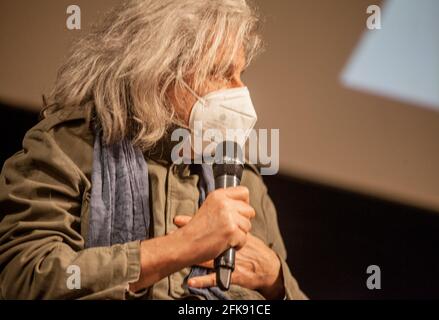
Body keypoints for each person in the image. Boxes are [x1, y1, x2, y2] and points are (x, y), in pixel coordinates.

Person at [0, 0, 307, 300]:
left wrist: (276, 282)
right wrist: (181, 247)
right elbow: (24, 280)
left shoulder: (245, 182)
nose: (239, 91)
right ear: (159, 70)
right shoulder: (66, 147)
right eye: (220, 72)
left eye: (241, 74)